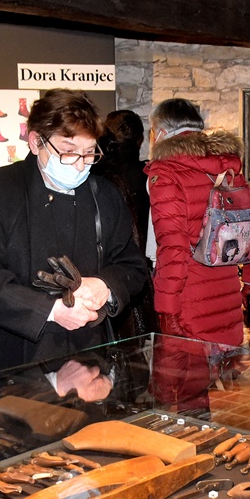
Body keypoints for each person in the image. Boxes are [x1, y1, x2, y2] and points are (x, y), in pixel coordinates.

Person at [0, 89, 150, 377]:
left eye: (89, 153)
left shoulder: (105, 195)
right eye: (68, 151)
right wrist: (49, 310)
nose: (80, 165)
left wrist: (105, 285)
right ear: (36, 141)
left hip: (88, 355)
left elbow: (132, 265)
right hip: (10, 357)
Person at [146, 98, 250, 346]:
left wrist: (167, 311)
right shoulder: (226, 169)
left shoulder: (166, 172)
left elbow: (174, 247)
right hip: (226, 293)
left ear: (160, 131)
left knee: (186, 369)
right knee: (220, 366)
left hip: (187, 299)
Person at [92, 109, 156, 337]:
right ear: (140, 140)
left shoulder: (98, 178)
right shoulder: (149, 176)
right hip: (138, 269)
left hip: (108, 271)